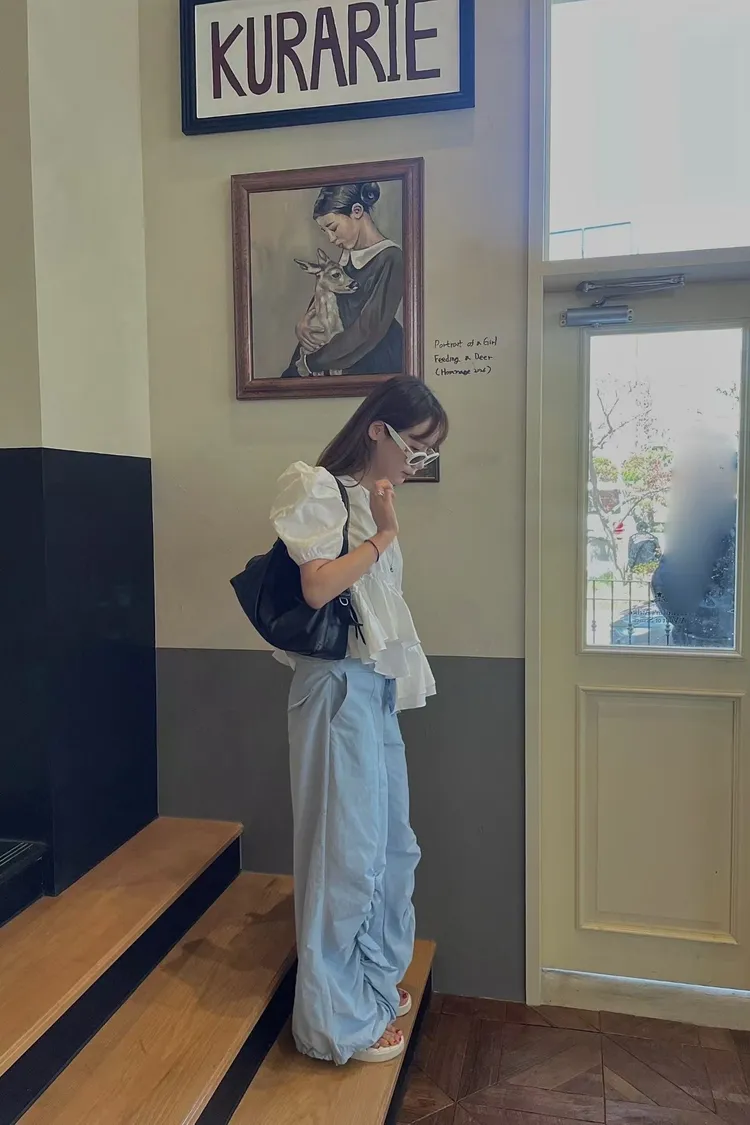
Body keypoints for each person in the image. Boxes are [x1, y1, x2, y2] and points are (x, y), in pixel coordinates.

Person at [269, 376, 447, 1065]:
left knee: (389, 847)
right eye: (415, 448)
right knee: (339, 855)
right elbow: (318, 585)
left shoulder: (371, 498)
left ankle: (369, 978)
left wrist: (381, 522)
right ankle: (334, 1020)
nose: (416, 463)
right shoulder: (315, 486)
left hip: (371, 689)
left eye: (427, 455)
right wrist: (385, 533)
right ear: (379, 430)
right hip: (333, 690)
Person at [281, 181, 404, 378]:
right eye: (325, 232)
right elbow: (325, 301)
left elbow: (368, 329)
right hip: (335, 355)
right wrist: (304, 324)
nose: (331, 238)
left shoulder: (391, 258)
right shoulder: (346, 257)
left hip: (372, 360)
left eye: (333, 228)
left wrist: (312, 362)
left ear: (357, 211)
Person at [651, 434, 738, 647]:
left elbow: (667, 587)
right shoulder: (700, 521)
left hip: (711, 645)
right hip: (707, 645)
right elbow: (667, 585)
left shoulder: (712, 520)